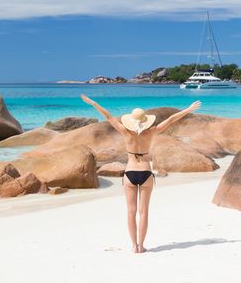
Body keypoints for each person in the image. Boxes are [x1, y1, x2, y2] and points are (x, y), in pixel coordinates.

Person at [81, 94, 201, 253]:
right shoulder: (151, 131)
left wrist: (93, 103)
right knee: (144, 212)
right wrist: (188, 109)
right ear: (145, 121)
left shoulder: (125, 131)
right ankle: (141, 245)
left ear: (130, 120)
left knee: (131, 212)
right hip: (145, 172)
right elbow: (172, 119)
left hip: (130, 172)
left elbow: (108, 116)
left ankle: (133, 246)